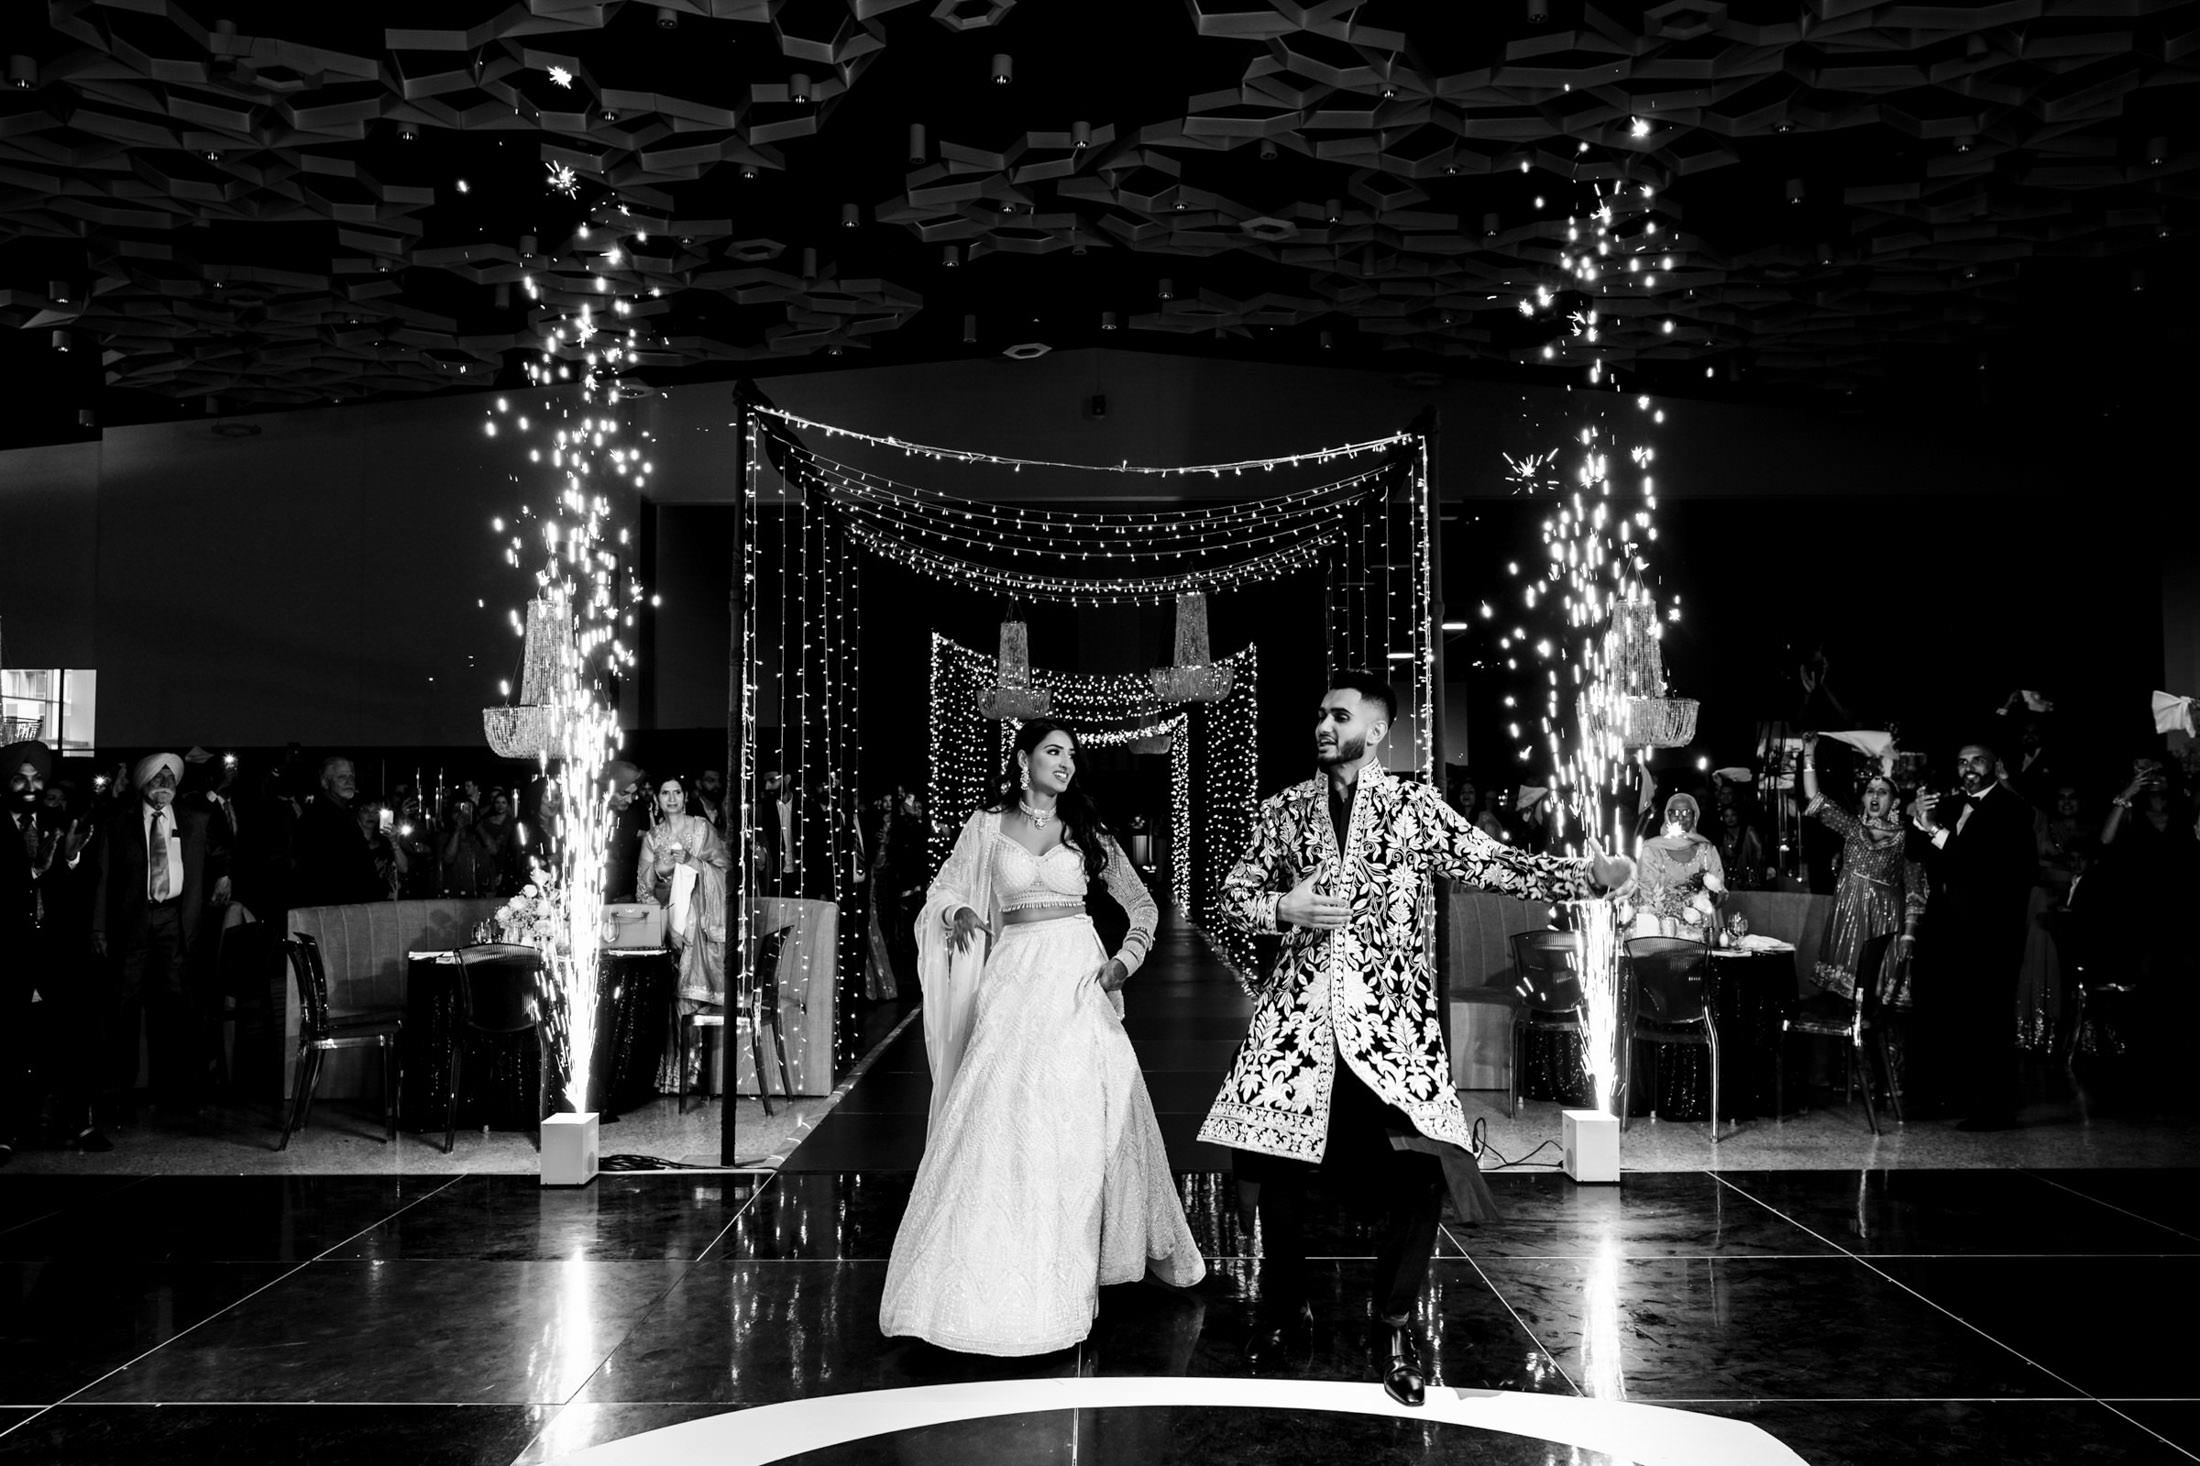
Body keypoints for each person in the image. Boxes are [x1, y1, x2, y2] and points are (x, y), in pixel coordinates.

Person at [1200, 671, 1634, 1408]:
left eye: (1339, 715)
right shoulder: (1284, 810)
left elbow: (1491, 860)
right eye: (1319, 712)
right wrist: (1285, 904)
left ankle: (1394, 1325)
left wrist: (1582, 878)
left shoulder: (1411, 807)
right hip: (1299, 1028)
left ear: (1375, 732)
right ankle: (1285, 1311)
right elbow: (1231, 897)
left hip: (1390, 1027)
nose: (1323, 724)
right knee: (1277, 1169)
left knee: (1420, 1169)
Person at [881, 719, 1204, 1356]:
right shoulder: (983, 828)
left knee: (1081, 1114)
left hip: (1078, 978)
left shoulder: (1086, 831)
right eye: (1052, 752)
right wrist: (959, 912)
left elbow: (1143, 906)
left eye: (1071, 755)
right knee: (1000, 1117)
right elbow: (943, 889)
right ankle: (988, 1264)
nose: (1065, 763)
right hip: (1012, 979)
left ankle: (1075, 1255)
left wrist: (1123, 962)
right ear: (1023, 759)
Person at [1908, 739, 2040, 1129]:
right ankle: (1949, 1097)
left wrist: (1935, 832)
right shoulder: (1949, 807)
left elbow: (1978, 866)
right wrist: (1920, 819)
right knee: (1950, 1012)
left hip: (1992, 930)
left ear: (1993, 765)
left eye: (1977, 761)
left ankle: (1995, 1108)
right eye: (1962, 761)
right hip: (1948, 927)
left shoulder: (2012, 809)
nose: (1968, 768)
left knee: (1989, 1016)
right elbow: (1917, 853)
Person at [90, 752, 219, 1117]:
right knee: (123, 1006)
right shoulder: (118, 822)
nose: (164, 784)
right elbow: (102, 876)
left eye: (170, 779)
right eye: (157, 778)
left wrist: (224, 875)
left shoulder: (196, 820)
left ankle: (175, 1092)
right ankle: (117, 1092)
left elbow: (222, 853)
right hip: (130, 923)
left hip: (173, 921)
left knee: (176, 1007)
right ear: (142, 782)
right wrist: (98, 927)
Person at [1799, 733, 1925, 1007]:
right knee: (1840, 1000)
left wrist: (1909, 934)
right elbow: (1813, 797)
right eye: (1870, 790)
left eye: (1882, 791)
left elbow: (1915, 890)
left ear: (1895, 802)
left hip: (1884, 918)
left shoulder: (1906, 837)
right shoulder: (1852, 827)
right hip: (1849, 913)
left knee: (1874, 999)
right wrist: (1809, 752)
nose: (1875, 795)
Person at [636, 775, 731, 1089]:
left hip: (700, 926)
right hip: (667, 928)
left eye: (677, 791)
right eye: (665, 793)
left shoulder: (701, 828)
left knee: (687, 999)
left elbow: (724, 868)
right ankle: (670, 1076)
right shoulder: (653, 837)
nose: (672, 798)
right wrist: (667, 922)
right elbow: (643, 889)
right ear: (658, 800)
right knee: (669, 999)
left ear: (685, 796)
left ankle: (692, 1074)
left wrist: (692, 863)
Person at [1632, 791, 1725, 939]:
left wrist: (1710, 899)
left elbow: (1719, 888)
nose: (1680, 817)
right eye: (1674, 812)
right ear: (1667, 816)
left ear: (1695, 816)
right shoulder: (1652, 849)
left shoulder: (1706, 849)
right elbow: (1647, 894)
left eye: (1686, 812)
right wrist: (1675, 913)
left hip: (1701, 930)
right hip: (1662, 930)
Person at [291, 756, 381, 907]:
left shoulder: (341, 814)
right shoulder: (319, 817)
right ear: (325, 783)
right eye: (341, 777)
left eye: (351, 776)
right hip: (334, 909)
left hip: (344, 907)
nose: (349, 781)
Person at [603, 760, 650, 903]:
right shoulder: (591, 816)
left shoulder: (637, 811)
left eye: (633, 794)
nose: (630, 800)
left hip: (630, 895)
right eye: (624, 793)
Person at [1713, 802, 1770, 892]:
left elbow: (1759, 850)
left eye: (1733, 815)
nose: (1730, 819)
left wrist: (1755, 869)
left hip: (1750, 877)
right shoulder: (1723, 836)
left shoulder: (1748, 831)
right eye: (1727, 816)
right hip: (1732, 879)